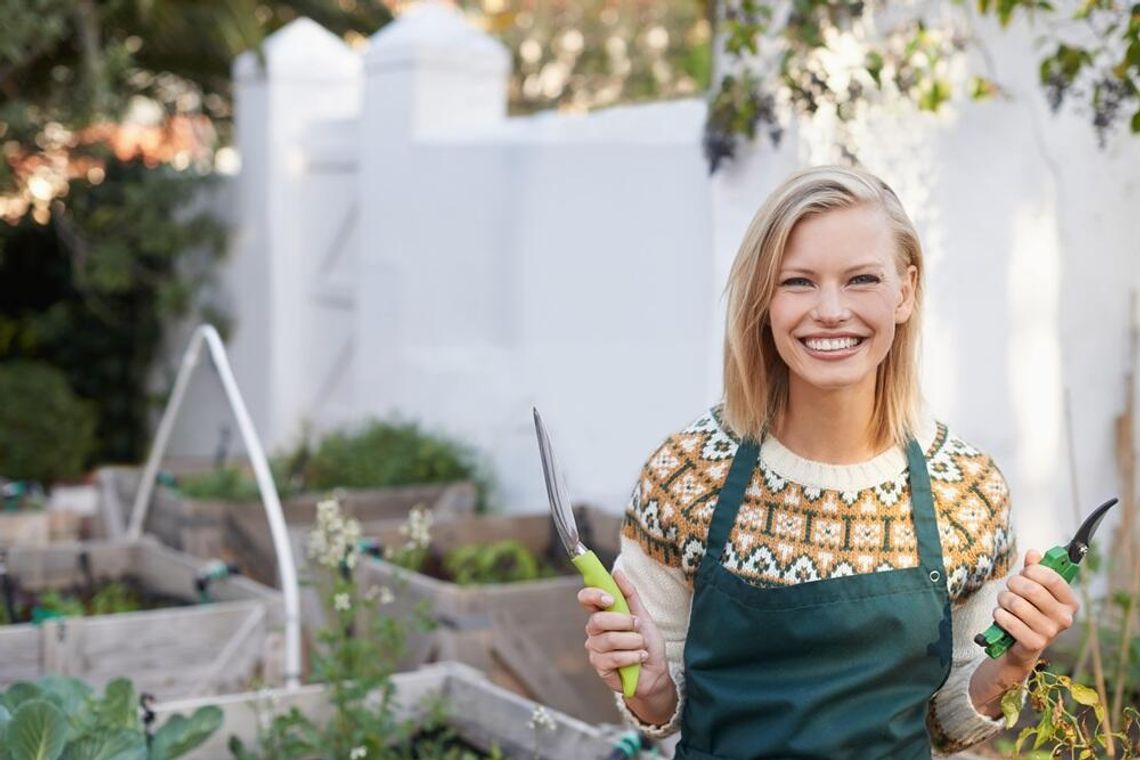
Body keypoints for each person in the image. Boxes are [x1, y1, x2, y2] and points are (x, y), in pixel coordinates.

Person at [578, 165, 1079, 758]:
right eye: (798, 282)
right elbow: (661, 711)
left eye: (862, 278)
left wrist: (1016, 661)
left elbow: (949, 725)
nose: (831, 310)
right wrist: (653, 687)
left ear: (906, 291)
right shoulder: (686, 475)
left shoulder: (966, 491)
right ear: (764, 297)